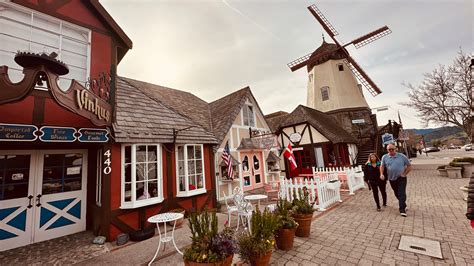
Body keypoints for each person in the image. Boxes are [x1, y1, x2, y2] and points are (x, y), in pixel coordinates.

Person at [380, 144, 412, 217]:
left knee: (401, 193)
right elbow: (382, 166)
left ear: (396, 149)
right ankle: (404, 204)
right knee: (396, 193)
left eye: (392, 149)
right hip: (391, 178)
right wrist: (381, 174)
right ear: (387, 150)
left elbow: (409, 166)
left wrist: (404, 174)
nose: (391, 150)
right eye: (389, 149)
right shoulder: (384, 157)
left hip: (401, 178)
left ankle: (402, 210)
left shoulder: (402, 156)